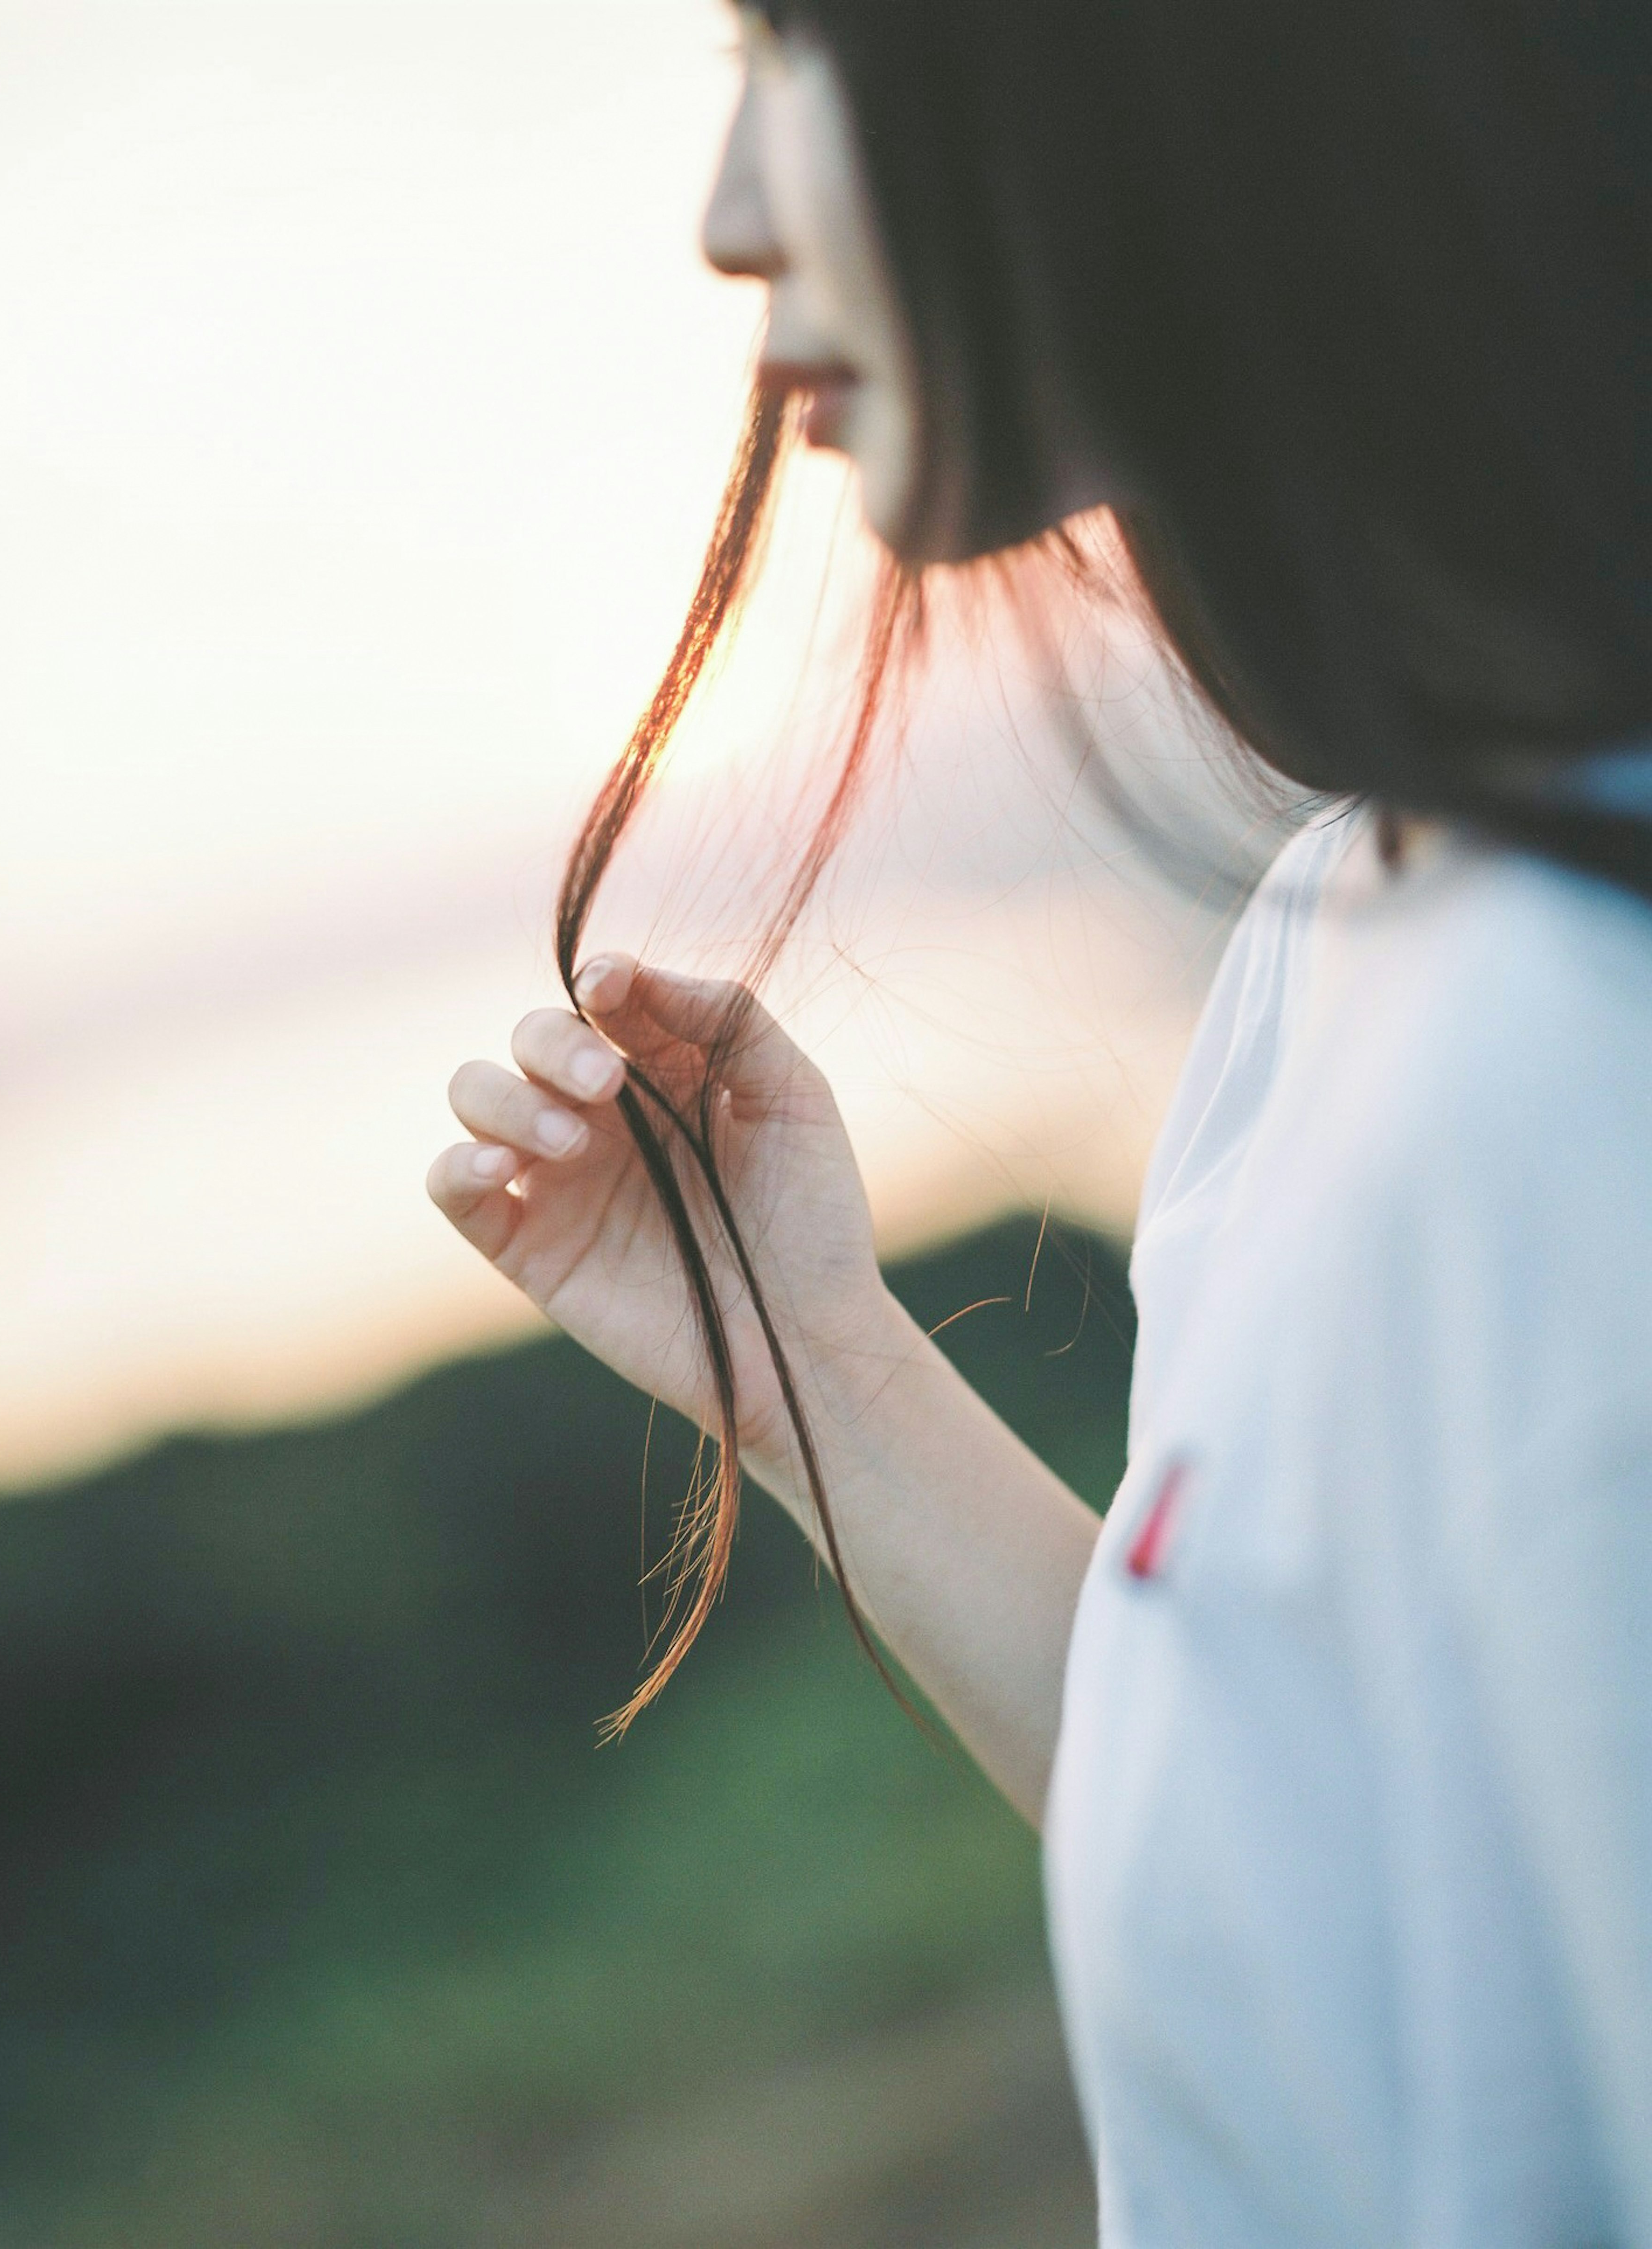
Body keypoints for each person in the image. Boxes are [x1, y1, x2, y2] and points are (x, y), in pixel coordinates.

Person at [428, 3, 1652, 2239]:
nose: (728, 218)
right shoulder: (1362, 928)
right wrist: (813, 1369)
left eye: (806, 41)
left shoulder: (1571, 1057)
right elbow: (1313, 1900)